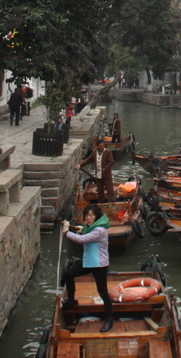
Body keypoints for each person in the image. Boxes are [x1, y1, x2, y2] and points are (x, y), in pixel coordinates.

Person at [61, 204, 113, 332]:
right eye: (87, 216)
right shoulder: (91, 227)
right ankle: (71, 301)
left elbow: (83, 239)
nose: (88, 218)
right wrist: (80, 229)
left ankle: (109, 320)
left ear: (96, 217)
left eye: (91, 216)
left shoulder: (99, 230)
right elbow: (86, 231)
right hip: (89, 262)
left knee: (103, 292)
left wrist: (67, 233)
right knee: (68, 274)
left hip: (99, 265)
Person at [78, 138, 115, 202]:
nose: (102, 147)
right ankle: (101, 203)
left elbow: (111, 162)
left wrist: (105, 169)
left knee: (110, 190)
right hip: (98, 175)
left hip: (106, 175)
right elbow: (88, 159)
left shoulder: (108, 152)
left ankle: (111, 203)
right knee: (100, 191)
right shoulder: (94, 152)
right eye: (100, 146)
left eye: (103, 146)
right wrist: (80, 165)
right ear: (97, 146)